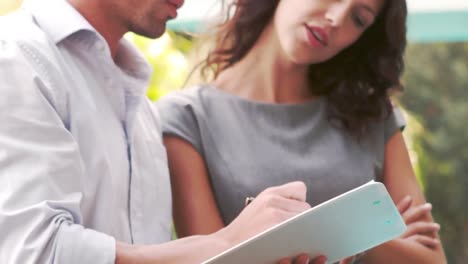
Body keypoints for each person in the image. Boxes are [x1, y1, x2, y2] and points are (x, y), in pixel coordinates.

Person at [0, 0, 327, 263]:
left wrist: (250, 252)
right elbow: (35, 252)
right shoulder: (15, 55)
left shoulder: (140, 107)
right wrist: (224, 242)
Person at [156, 0, 447, 263]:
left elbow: (430, 260)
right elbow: (213, 259)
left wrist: (305, 233)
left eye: (358, 19)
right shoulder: (186, 119)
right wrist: (369, 231)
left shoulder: (371, 115)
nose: (336, 18)